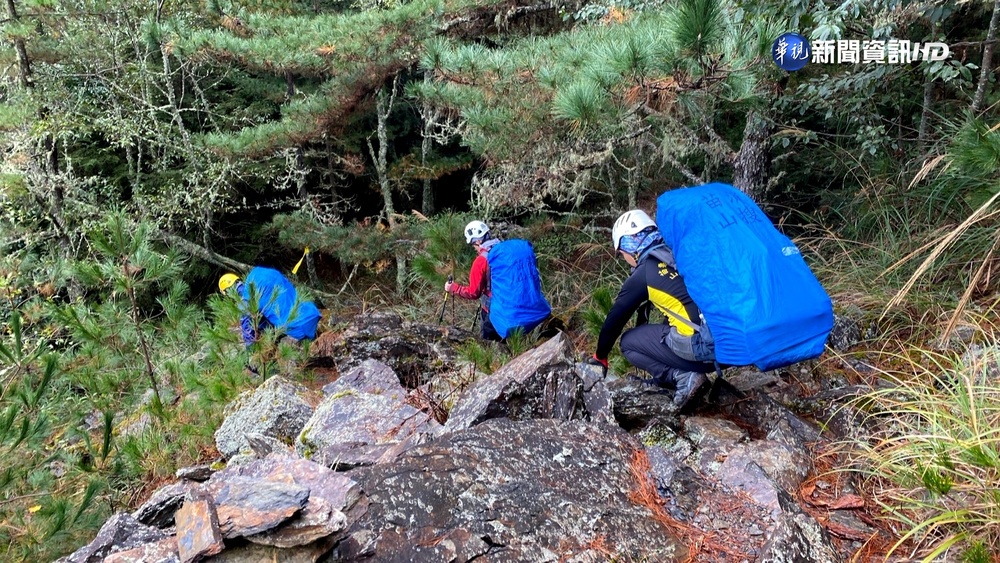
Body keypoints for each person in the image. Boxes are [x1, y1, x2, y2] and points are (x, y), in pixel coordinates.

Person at [587, 210, 715, 408]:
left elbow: (615, 320)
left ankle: (682, 377)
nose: (624, 258)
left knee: (628, 342)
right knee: (669, 323)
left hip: (704, 350)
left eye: (621, 253)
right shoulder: (677, 253)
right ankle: (674, 376)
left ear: (629, 244)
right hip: (727, 344)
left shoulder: (645, 271)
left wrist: (600, 356)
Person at [218, 267, 322, 347]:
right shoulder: (257, 276)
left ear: (228, 292)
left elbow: (249, 331)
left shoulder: (246, 302)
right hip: (312, 313)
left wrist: (250, 353)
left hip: (297, 329)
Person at [445, 220, 503, 341]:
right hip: (510, 306)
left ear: (477, 241)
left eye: (473, 245)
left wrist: (454, 288)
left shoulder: (481, 260)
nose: (475, 248)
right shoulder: (503, 250)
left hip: (491, 312)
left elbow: (473, 293)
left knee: (490, 347)